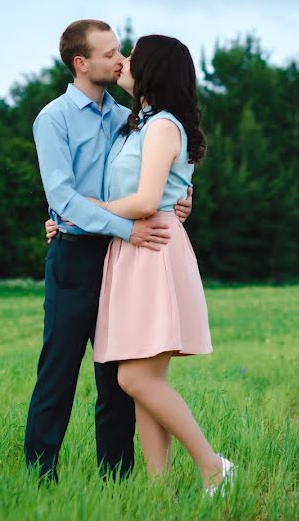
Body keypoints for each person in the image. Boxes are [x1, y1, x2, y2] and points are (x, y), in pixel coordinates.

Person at [24, 19, 193, 486]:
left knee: (118, 380)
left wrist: (184, 193)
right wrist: (122, 226)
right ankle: (39, 481)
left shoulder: (127, 116)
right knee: (57, 372)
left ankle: (116, 483)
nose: (121, 60)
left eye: (122, 51)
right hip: (76, 257)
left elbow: (164, 160)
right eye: (110, 53)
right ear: (81, 63)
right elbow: (62, 197)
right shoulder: (53, 119)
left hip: (124, 260)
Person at [85, 34, 236, 496]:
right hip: (134, 248)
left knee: (133, 377)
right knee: (144, 381)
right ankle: (159, 489)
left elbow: (149, 199)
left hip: (153, 250)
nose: (123, 61)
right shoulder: (141, 124)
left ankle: (213, 466)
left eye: (132, 55)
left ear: (152, 69)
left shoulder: (163, 126)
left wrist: (87, 207)